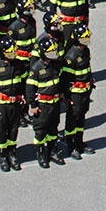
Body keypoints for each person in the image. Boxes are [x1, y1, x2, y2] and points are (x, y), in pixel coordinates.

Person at [0, 38, 28, 172]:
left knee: (13, 129)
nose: (13, 54)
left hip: (15, 105)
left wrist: (24, 98)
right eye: (10, 52)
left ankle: (12, 153)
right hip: (1, 105)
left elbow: (23, 83)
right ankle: (2, 155)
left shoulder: (19, 65)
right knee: (1, 131)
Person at [27, 38, 67, 168]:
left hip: (55, 103)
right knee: (41, 130)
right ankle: (41, 154)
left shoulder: (56, 65)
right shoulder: (37, 68)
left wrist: (61, 92)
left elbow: (59, 81)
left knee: (53, 128)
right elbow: (30, 89)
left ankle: (53, 151)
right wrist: (32, 105)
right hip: (42, 105)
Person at [62, 26, 96, 159]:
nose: (88, 40)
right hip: (75, 94)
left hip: (85, 91)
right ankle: (71, 146)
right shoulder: (71, 56)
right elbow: (65, 79)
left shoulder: (85, 51)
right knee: (73, 119)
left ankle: (80, 142)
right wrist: (66, 95)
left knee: (81, 117)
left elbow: (88, 69)